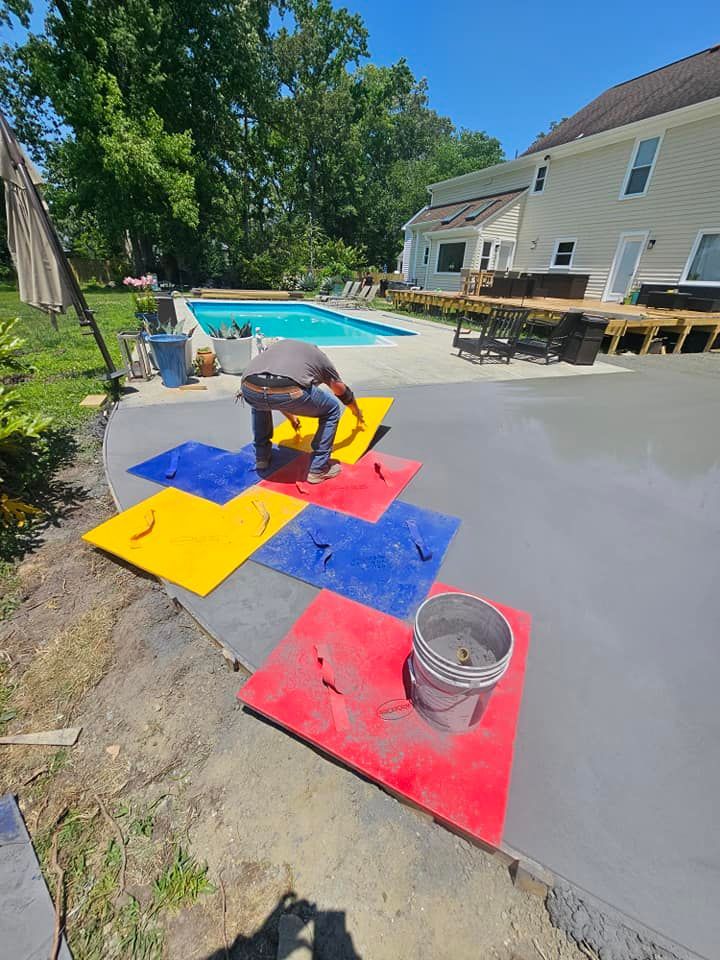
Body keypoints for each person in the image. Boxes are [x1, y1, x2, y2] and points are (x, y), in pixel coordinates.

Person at [240, 339, 365, 483]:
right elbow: (341, 390)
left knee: (259, 404)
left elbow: (269, 390)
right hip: (288, 390)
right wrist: (355, 410)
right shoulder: (320, 357)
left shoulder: (278, 348)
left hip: (249, 388)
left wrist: (292, 418)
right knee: (332, 409)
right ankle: (318, 468)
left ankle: (261, 457)